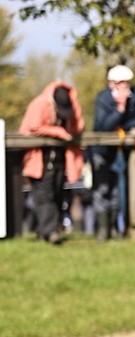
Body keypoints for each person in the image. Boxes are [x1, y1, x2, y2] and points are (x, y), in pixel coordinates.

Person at [19, 81, 85, 244]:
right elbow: (32, 127)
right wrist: (59, 132)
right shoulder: (39, 104)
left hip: (60, 159)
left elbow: (79, 126)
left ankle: (47, 231)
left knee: (56, 193)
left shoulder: (70, 101)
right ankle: (50, 232)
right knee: (43, 195)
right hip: (40, 159)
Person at [91, 64, 135, 241]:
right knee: (102, 190)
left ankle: (115, 229)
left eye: (127, 83)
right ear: (111, 84)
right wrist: (119, 110)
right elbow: (102, 127)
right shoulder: (103, 98)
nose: (124, 87)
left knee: (116, 191)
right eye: (120, 83)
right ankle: (102, 230)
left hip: (120, 153)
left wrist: (124, 126)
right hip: (101, 151)